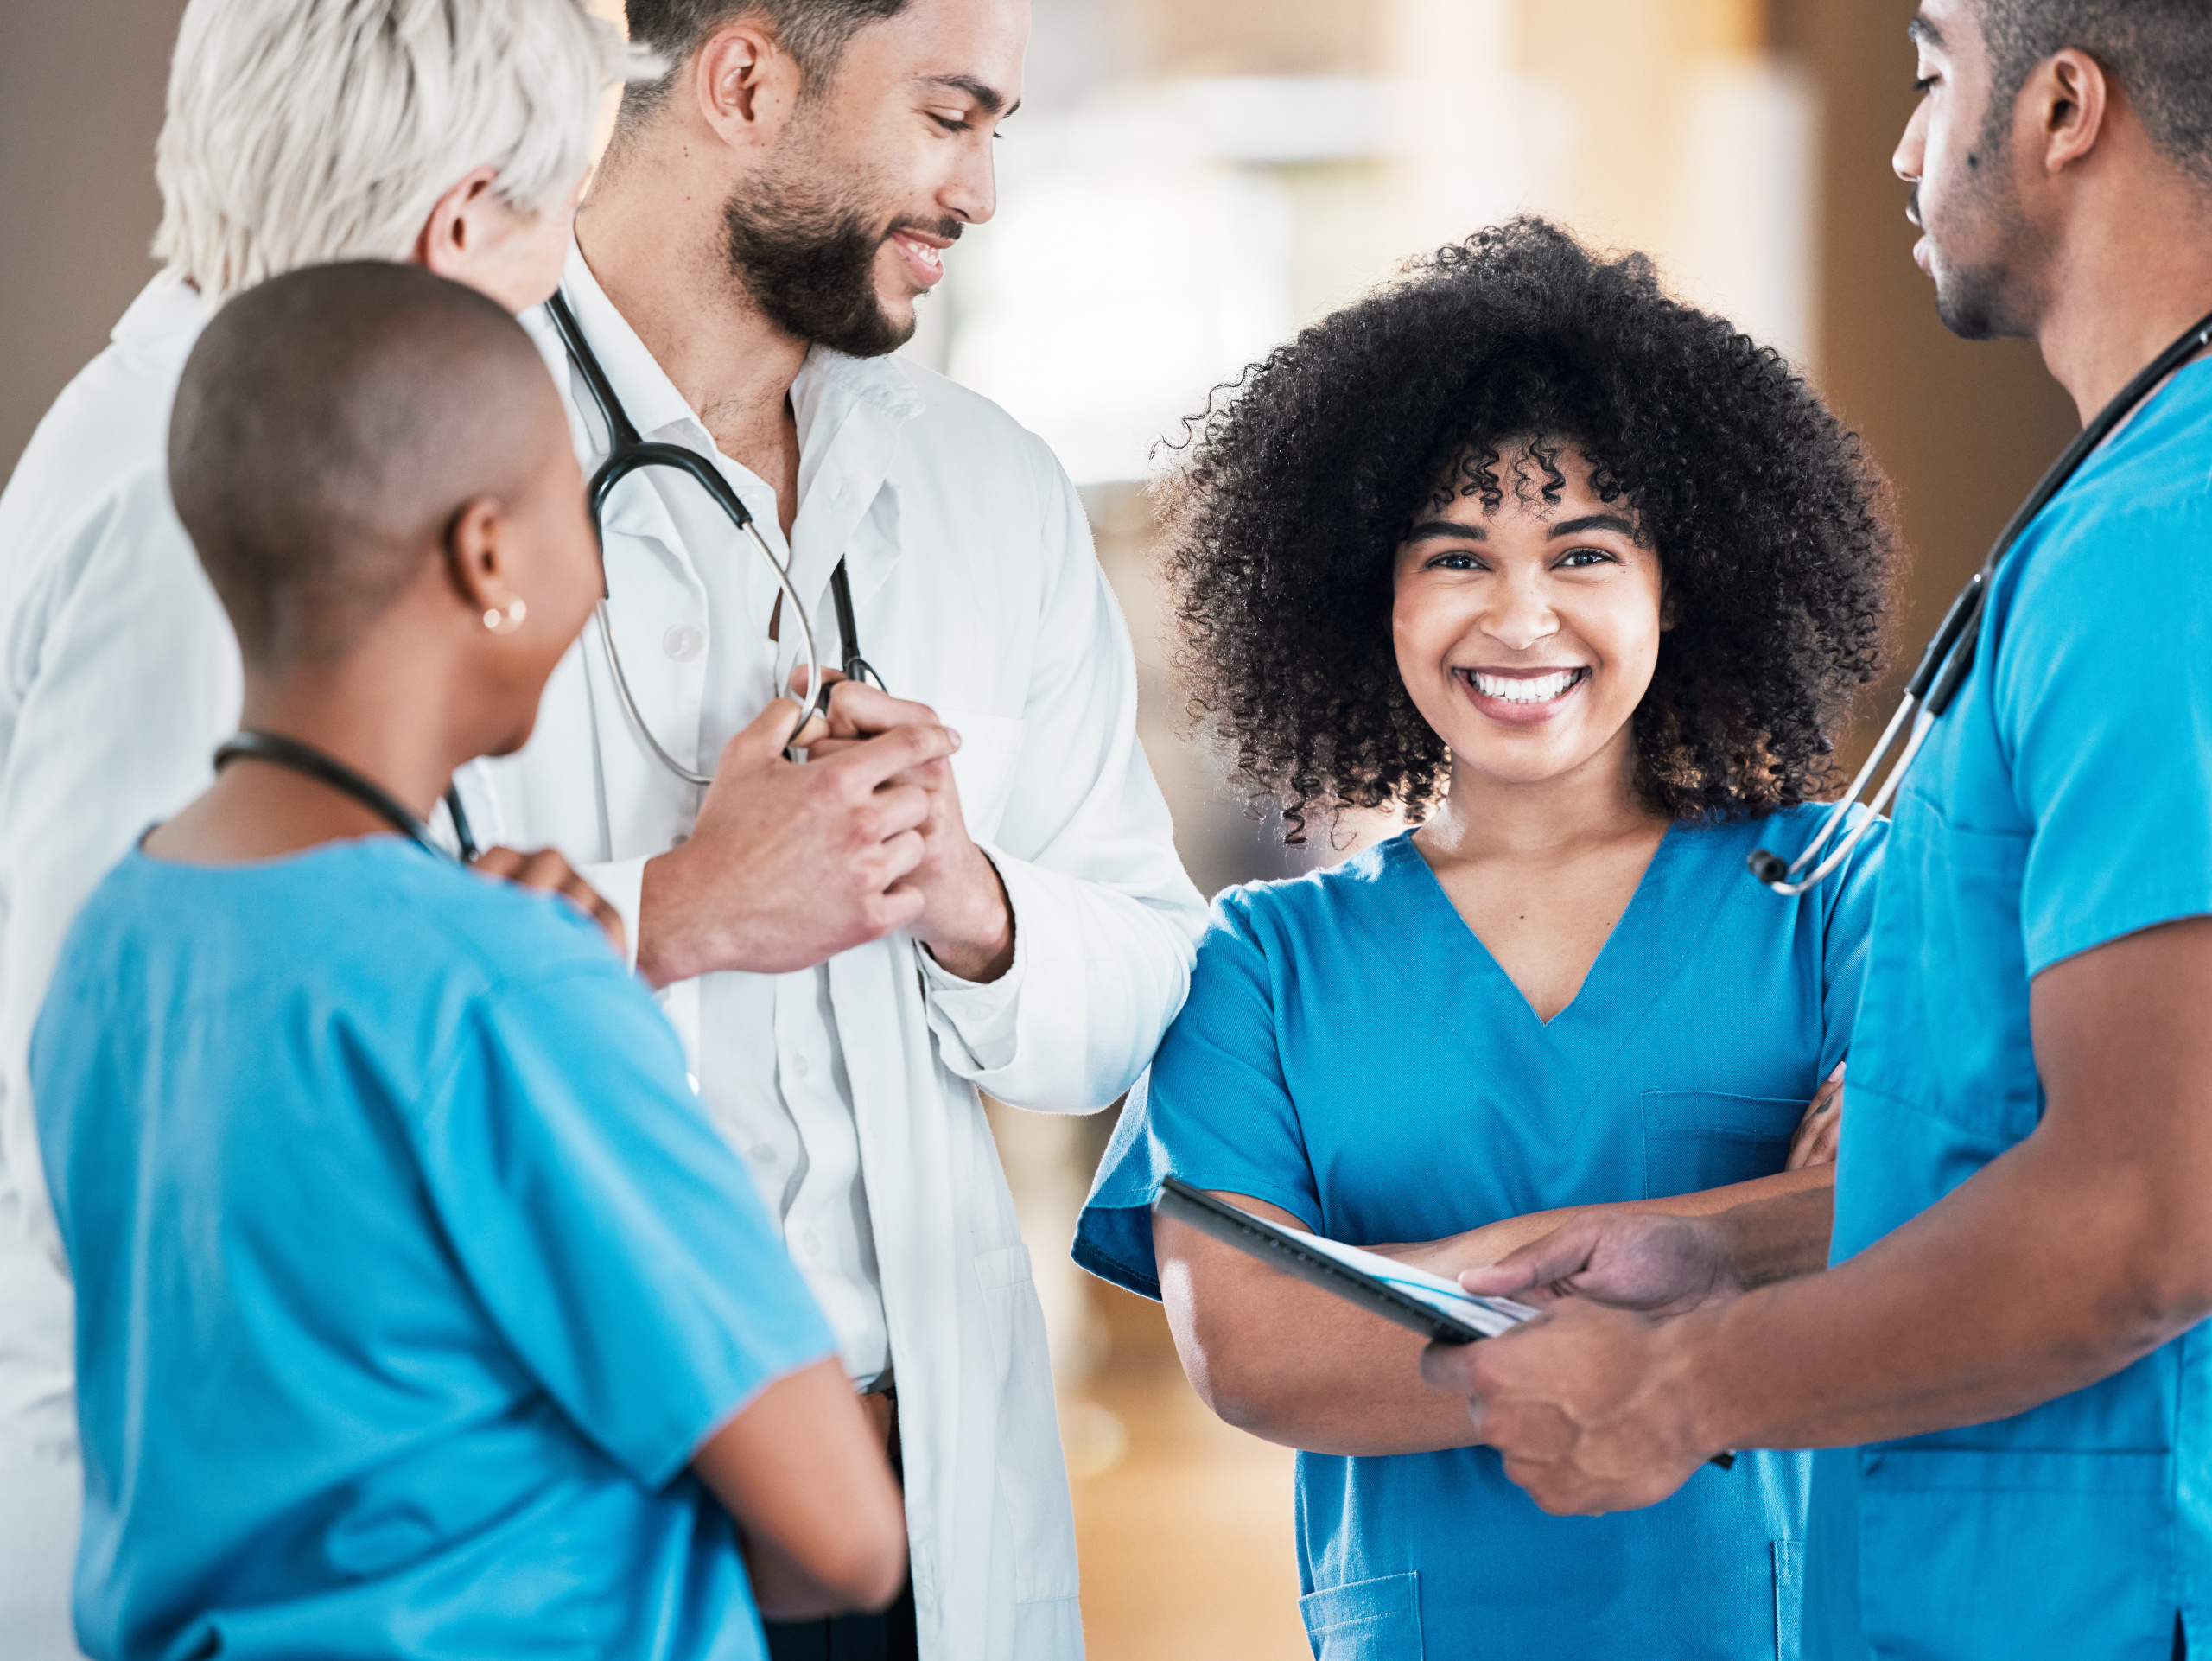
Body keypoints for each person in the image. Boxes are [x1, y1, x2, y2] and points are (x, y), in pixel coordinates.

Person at [1424, 5, 2212, 1657]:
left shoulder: (2165, 548)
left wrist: (1674, 1390)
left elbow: (2150, 1212)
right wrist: (1728, 1250)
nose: (1908, 145)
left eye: (1936, 79)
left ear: (2068, 107)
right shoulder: (2134, 513)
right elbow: (2015, 1128)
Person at [455, 5, 1208, 1656]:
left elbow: (1144, 972)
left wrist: (972, 899)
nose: (982, 191)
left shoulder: (989, 489)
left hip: (917, 1529)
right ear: (744, 81)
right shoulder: (434, 437)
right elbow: (316, 992)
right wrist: (687, 906)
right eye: (950, 117)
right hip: (573, 1527)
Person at [35, 258, 909, 1661]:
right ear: (489, 553)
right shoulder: (511, 985)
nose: (604, 555)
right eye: (579, 503)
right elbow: (843, 1536)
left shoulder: (117, 937)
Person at [1071, 218, 1901, 1657]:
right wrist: (1732, 1240)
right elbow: (1261, 1353)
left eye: (1584, 551)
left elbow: (1935, 1220)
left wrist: (1421, 1275)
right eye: (1457, 555)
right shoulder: (1264, 962)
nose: (1522, 617)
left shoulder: (1833, 894)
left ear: (1676, 583)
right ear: (1368, 592)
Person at [0, 6, 623, 1656]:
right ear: (460, 226)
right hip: (193, 1521)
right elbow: (150, 1105)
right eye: (564, 221)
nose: (560, 289)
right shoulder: (189, 516)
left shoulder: (198, 441)